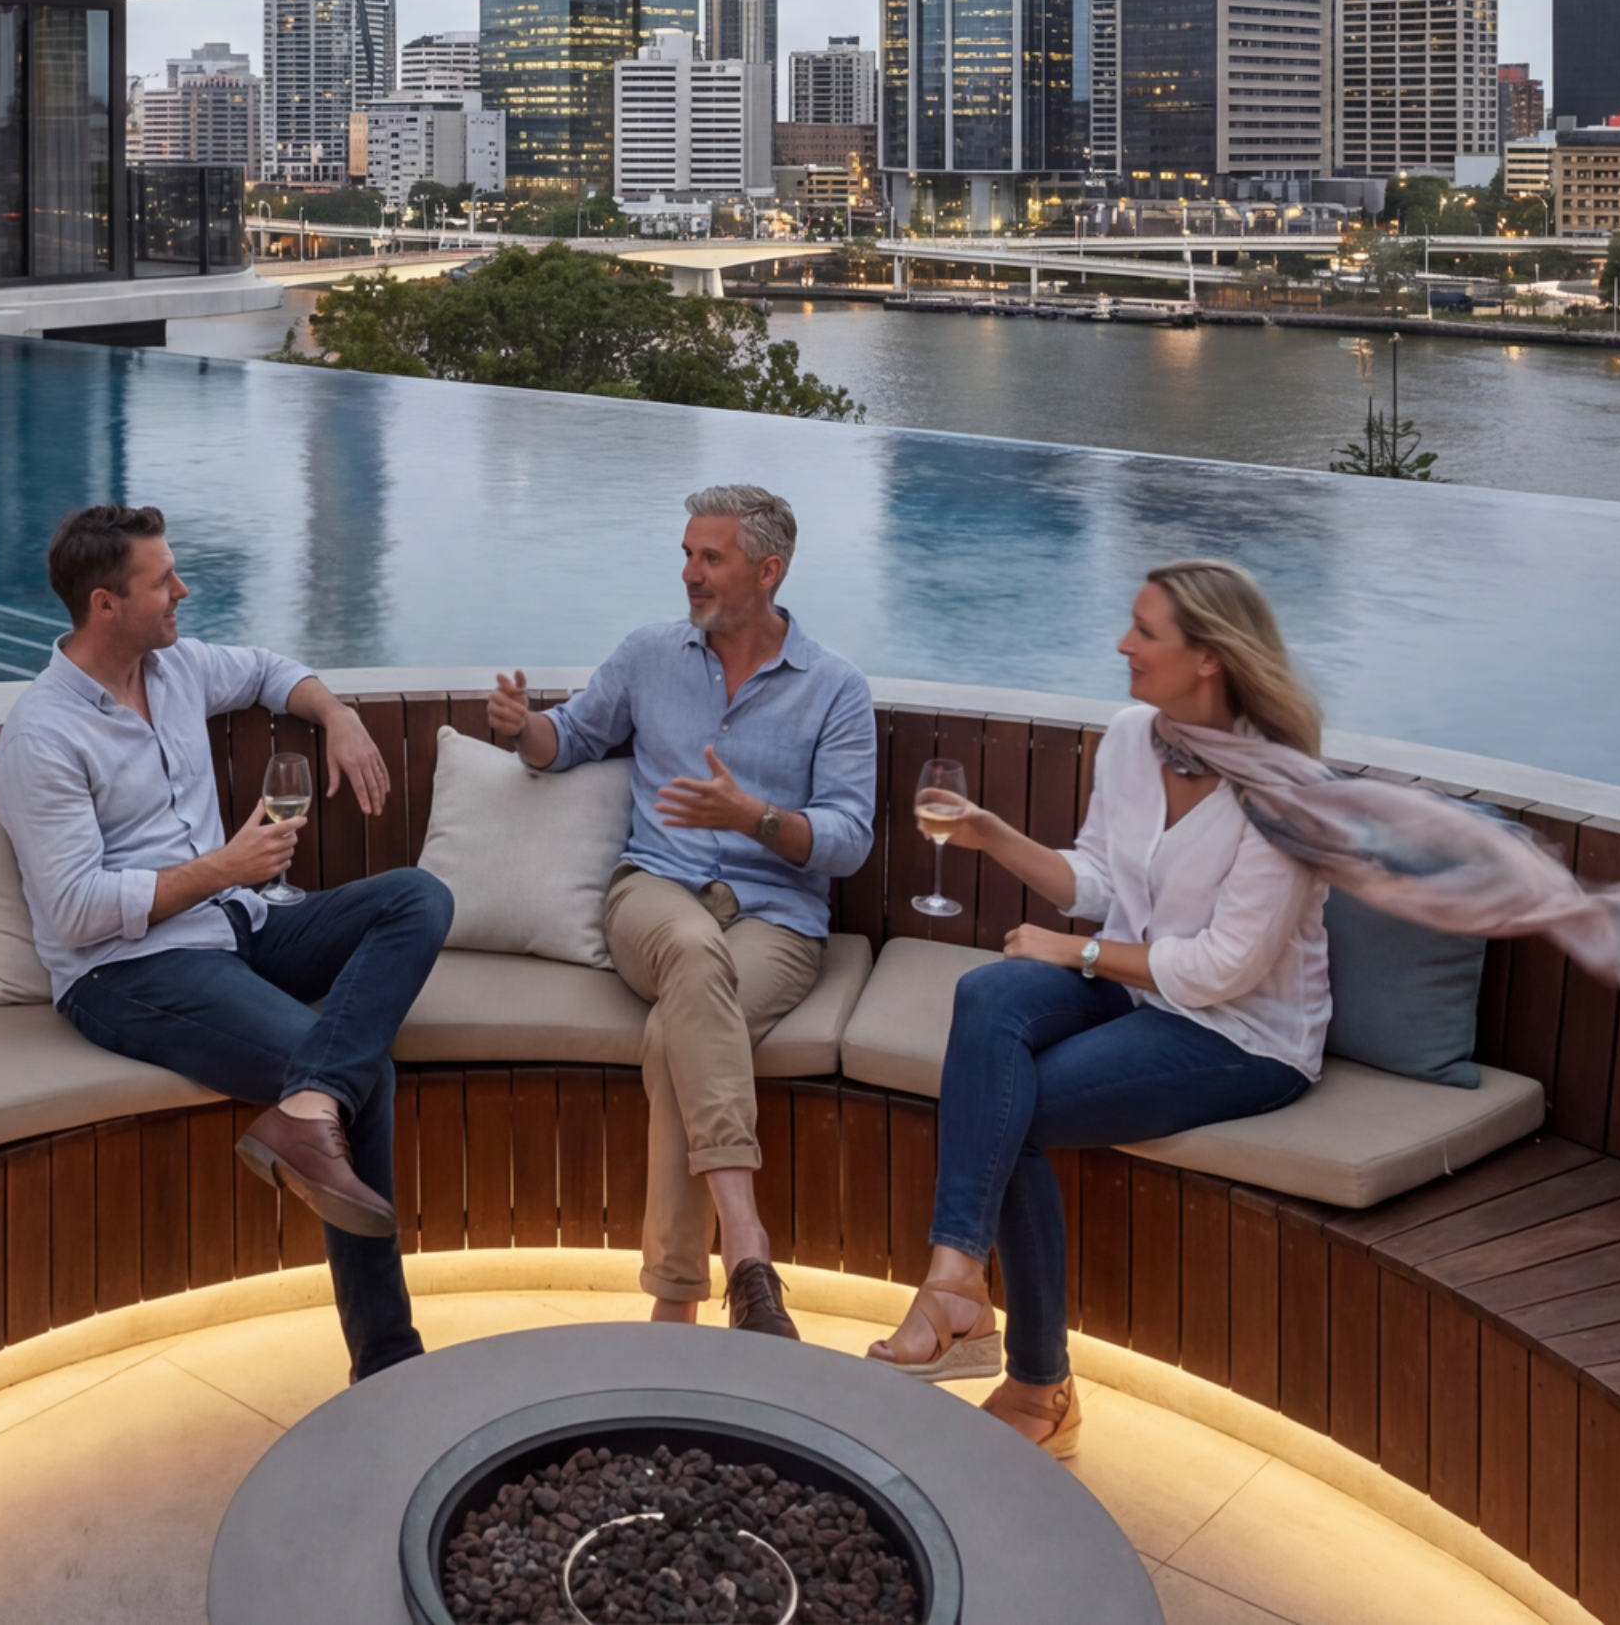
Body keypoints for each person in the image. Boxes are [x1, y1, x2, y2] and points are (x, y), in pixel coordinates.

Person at [867, 558, 1334, 1454]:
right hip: (1133, 989)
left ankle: (1040, 1385)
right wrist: (992, 834)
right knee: (988, 990)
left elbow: (1225, 968)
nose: (1123, 643)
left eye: (1145, 630)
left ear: (1209, 657)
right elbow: (1097, 879)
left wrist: (1077, 951)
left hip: (1244, 1034)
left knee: (1016, 1109)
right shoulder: (1130, 736)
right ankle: (957, 1273)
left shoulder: (1287, 792)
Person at [0, 502, 453, 1381]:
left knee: (417, 897)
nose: (183, 589)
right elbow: (76, 911)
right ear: (104, 605)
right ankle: (388, 1363)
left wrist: (339, 717)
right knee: (361, 1069)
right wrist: (228, 864)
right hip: (127, 970)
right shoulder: (44, 734)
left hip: (238, 925)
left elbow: (273, 672)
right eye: (162, 580)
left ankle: (305, 1112)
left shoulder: (176, 669)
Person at [489, 482, 874, 1340]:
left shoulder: (835, 688)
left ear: (767, 570)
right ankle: (746, 1244)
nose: (690, 573)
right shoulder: (648, 654)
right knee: (694, 955)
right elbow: (570, 740)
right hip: (652, 895)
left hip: (776, 916)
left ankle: (673, 1300)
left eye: (712, 557)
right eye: (687, 554)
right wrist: (522, 728)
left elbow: (849, 840)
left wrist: (755, 818)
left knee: (676, 1034)